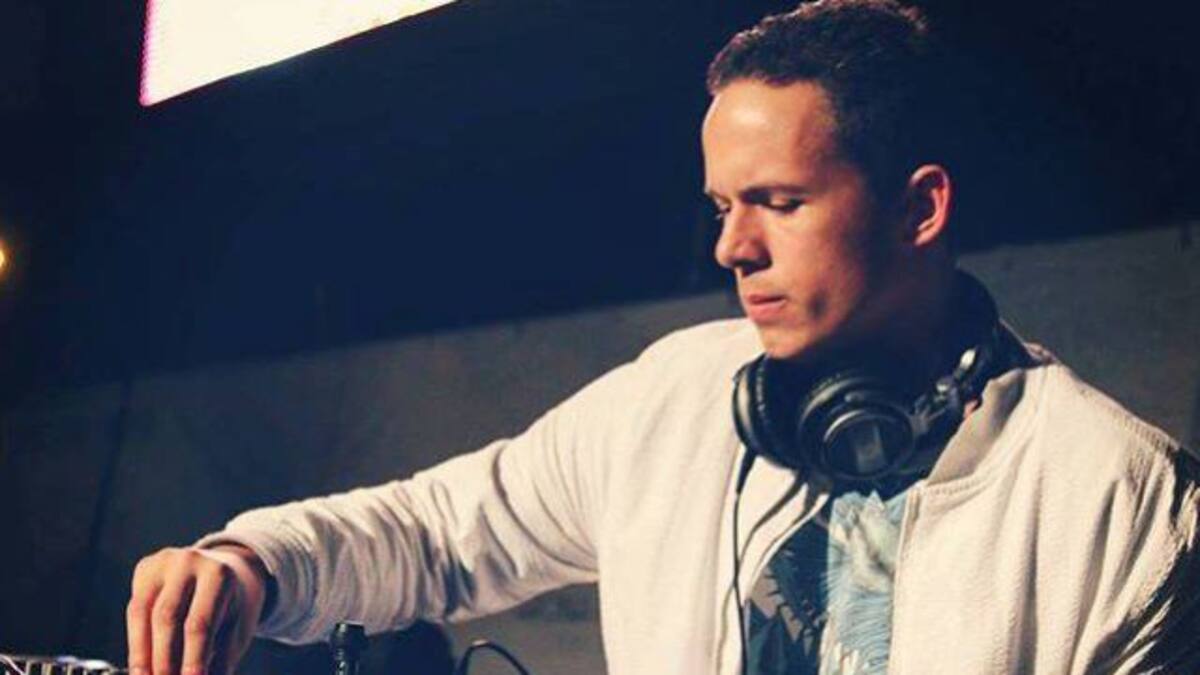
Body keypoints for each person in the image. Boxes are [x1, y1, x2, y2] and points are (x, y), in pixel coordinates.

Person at [126, 1, 1200, 673]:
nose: (732, 246)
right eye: (722, 205)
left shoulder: (1127, 503)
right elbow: (437, 536)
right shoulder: (677, 398)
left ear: (920, 208)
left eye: (778, 201)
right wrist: (254, 563)